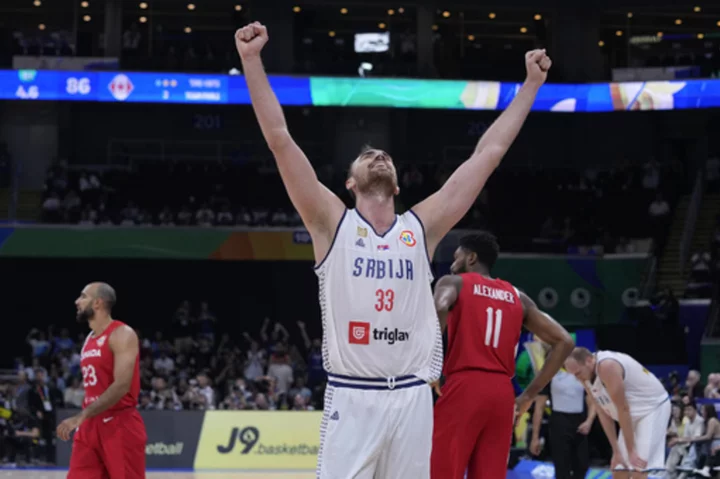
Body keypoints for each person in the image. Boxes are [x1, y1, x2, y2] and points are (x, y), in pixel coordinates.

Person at [235, 21, 552, 479]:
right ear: (349, 182)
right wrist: (251, 62)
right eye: (365, 157)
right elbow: (280, 139)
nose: (377, 155)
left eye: (384, 156)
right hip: (352, 395)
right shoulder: (330, 222)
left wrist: (531, 85)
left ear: (398, 183)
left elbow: (489, 153)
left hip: (411, 398)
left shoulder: (420, 228)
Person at [430, 233, 575, 479]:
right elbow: (565, 341)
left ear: (471, 257)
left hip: (464, 385)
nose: (453, 264)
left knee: (442, 471)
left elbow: (439, 307)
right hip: (502, 394)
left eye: (457, 257)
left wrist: (431, 363)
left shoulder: (453, 282)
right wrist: (529, 394)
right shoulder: (517, 296)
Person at [57, 282, 146, 479]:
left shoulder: (122, 334)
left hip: (119, 423)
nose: (77, 301)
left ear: (97, 303)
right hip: (90, 426)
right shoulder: (88, 339)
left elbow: (122, 385)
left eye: (83, 296)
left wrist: (82, 414)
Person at [564, 347, 671, 478]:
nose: (577, 378)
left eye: (578, 373)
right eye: (573, 375)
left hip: (652, 408)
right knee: (619, 469)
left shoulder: (607, 366)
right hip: (631, 414)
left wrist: (631, 450)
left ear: (588, 360)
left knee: (639, 468)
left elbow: (623, 409)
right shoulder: (584, 376)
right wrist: (616, 451)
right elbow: (602, 411)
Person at [529, 342, 597, 479]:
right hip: (559, 423)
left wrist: (589, 421)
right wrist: (535, 437)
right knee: (562, 466)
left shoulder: (580, 372)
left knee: (582, 465)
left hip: (580, 422)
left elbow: (592, 400)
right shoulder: (549, 375)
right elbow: (539, 407)